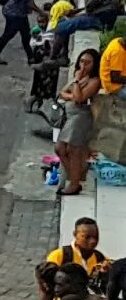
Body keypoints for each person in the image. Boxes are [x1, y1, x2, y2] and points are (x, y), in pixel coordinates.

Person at [61, 48, 101, 197]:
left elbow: (79, 98)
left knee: (74, 149)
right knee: (60, 148)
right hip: (70, 114)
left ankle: (74, 182)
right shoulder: (79, 76)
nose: (83, 66)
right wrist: (73, 93)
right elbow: (63, 92)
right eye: (82, 61)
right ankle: (76, 176)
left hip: (81, 117)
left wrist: (77, 82)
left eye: (88, 63)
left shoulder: (94, 81)